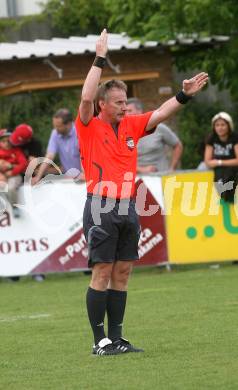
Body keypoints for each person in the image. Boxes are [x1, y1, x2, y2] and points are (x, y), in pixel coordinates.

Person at [75, 29, 208, 356]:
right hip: (100, 206)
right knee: (102, 272)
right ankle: (99, 341)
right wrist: (100, 59)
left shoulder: (133, 125)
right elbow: (86, 97)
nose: (124, 107)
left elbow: (161, 113)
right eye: (118, 103)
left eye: (125, 102)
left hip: (127, 206)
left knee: (122, 272)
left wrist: (184, 95)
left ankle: (117, 338)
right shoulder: (89, 124)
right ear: (103, 105)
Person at [126, 98, 183, 173]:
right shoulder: (123, 133)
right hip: (138, 178)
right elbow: (122, 160)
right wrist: (141, 170)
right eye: (125, 111)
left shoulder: (158, 127)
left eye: (130, 111)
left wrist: (172, 168)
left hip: (161, 175)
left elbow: (178, 145)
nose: (127, 114)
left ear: (140, 111)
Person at [32, 108, 82, 184]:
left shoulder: (80, 132)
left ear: (68, 124)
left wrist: (84, 174)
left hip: (85, 178)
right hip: (68, 179)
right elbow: (49, 156)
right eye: (55, 126)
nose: (56, 129)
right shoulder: (55, 133)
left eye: (58, 126)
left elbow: (86, 155)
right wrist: (38, 176)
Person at [204, 112, 238, 203]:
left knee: (230, 174)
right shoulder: (211, 138)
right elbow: (207, 161)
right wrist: (216, 163)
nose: (220, 128)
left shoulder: (235, 138)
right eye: (217, 125)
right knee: (202, 167)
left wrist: (219, 162)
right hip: (218, 169)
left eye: (223, 125)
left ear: (229, 126)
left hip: (232, 168)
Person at [0, 129, 28, 218]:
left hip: (14, 175)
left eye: (8, 141)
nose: (6, 143)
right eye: (3, 141)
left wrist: (12, 169)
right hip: (2, 175)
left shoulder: (16, 150)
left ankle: (14, 207)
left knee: (11, 188)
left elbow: (23, 164)